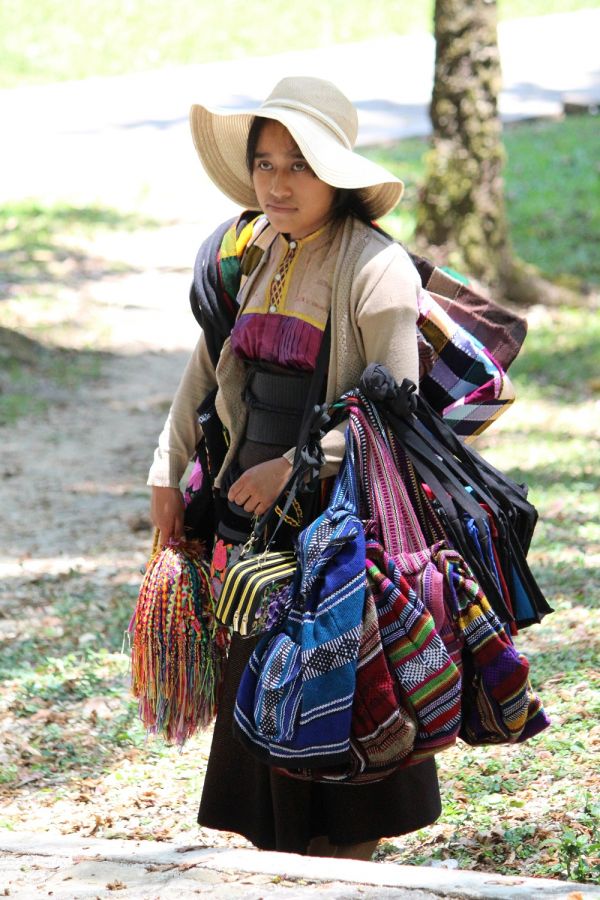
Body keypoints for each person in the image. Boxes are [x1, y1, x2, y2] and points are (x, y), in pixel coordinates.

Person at [147, 76, 441, 860]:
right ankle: (288, 870)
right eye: (265, 163)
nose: (277, 184)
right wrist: (166, 469)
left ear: (334, 172)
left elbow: (398, 409)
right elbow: (206, 368)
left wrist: (293, 467)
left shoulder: (376, 268)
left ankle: (343, 874)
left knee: (337, 711)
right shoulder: (253, 250)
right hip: (253, 532)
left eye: (298, 165)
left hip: (338, 533)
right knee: (263, 698)